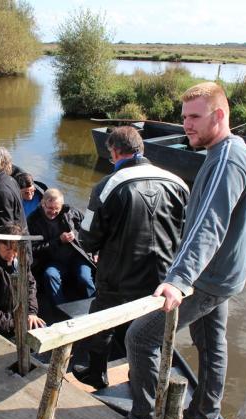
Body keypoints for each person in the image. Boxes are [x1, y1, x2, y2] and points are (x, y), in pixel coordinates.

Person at [120, 82, 246, 419]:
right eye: (184, 117)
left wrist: (178, 280)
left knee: (139, 337)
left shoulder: (226, 159)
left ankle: (145, 418)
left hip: (207, 278)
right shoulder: (231, 150)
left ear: (220, 114)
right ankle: (205, 415)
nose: (187, 124)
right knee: (211, 344)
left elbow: (210, 223)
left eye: (195, 116)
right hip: (222, 273)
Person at [73, 125, 190, 390]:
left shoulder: (107, 185)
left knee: (101, 322)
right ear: (141, 149)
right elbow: (188, 231)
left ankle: (95, 373)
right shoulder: (178, 183)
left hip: (117, 277)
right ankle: (143, 376)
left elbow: (88, 237)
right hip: (163, 278)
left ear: (114, 151)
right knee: (152, 330)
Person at [27, 189, 95, 305]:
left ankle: (94, 304)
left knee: (85, 278)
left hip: (77, 256)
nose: (53, 212)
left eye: (56, 209)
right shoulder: (33, 220)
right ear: (43, 204)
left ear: (62, 206)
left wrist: (94, 250)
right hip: (53, 260)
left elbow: (89, 231)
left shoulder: (72, 212)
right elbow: (33, 250)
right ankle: (60, 307)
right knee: (50, 275)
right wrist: (58, 241)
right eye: (50, 208)